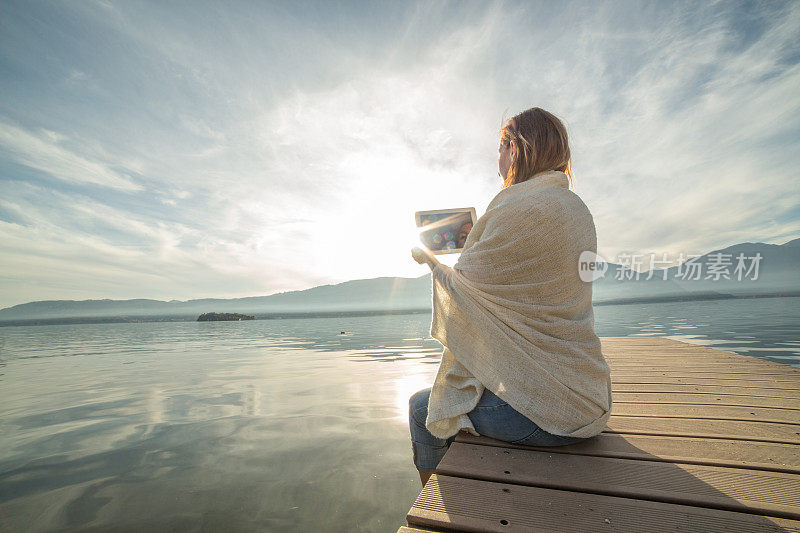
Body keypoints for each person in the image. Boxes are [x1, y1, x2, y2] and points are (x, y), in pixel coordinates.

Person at [409, 107, 612, 488]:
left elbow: (465, 293)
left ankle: (434, 510)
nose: (497, 165)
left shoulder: (513, 205)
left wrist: (433, 263)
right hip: (590, 394)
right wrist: (481, 246)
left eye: (500, 151)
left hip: (556, 416)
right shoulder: (576, 209)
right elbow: (529, 289)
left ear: (516, 149)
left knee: (424, 409)